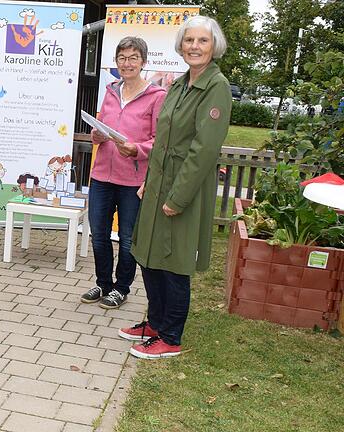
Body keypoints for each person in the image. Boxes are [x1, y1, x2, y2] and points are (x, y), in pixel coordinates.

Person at [124, 16, 231, 359]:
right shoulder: (181, 83)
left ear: (214, 46)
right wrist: (148, 183)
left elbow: (204, 150)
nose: (194, 47)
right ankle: (155, 324)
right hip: (158, 183)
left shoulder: (216, 87)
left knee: (174, 262)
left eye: (202, 41)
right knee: (150, 256)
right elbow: (162, 140)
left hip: (184, 187)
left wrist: (178, 197)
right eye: (189, 40)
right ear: (180, 45)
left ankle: (171, 337)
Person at [80, 36, 166, 309]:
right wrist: (97, 135)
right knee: (100, 234)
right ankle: (103, 283)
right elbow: (101, 128)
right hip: (102, 176)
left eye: (133, 58)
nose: (127, 64)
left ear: (143, 62)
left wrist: (137, 149)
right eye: (122, 58)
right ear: (116, 62)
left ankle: (122, 287)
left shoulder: (157, 97)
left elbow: (159, 140)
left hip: (133, 180)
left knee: (128, 238)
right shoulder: (109, 91)